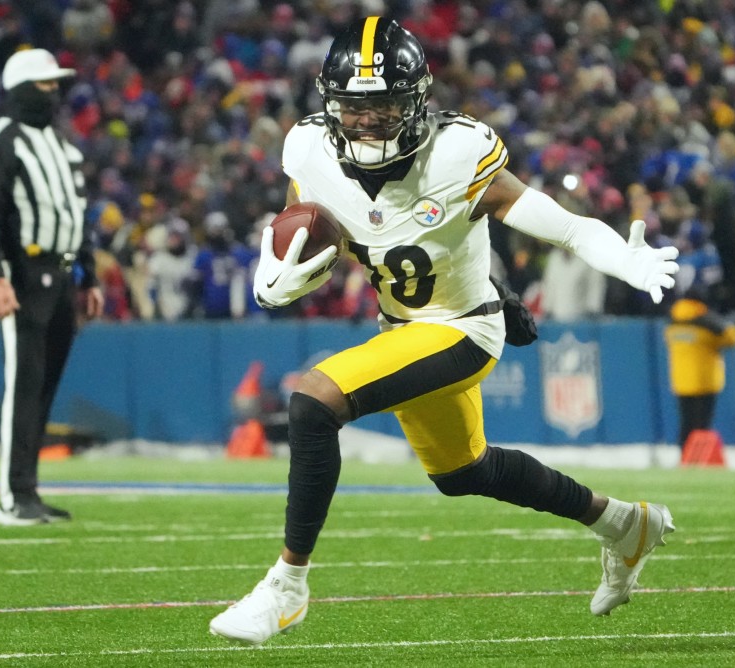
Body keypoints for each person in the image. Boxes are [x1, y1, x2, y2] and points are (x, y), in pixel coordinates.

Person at [209, 17, 680, 645]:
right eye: (354, 106)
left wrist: (622, 256)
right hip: (403, 326)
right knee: (463, 473)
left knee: (312, 404)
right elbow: (310, 219)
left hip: (463, 330)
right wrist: (283, 269)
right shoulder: (309, 152)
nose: (369, 121)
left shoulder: (456, 155)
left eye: (386, 106)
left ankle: (286, 588)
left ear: (417, 101)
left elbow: (565, 227)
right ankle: (623, 523)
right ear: (330, 104)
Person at [0, 48, 104, 525]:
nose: (54, 94)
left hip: (63, 276)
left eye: (56, 86)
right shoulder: (2, 140)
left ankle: (29, 489)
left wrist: (88, 274)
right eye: (45, 86)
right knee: (23, 387)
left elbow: (78, 213)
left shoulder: (61, 143)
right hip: (25, 275)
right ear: (24, 89)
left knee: (43, 389)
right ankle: (13, 496)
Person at [663, 289, 735, 450]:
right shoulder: (706, 322)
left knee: (686, 423)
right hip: (704, 380)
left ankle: (684, 456)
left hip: (681, 380)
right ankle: (698, 457)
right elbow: (732, 338)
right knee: (702, 425)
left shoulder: (673, 321)